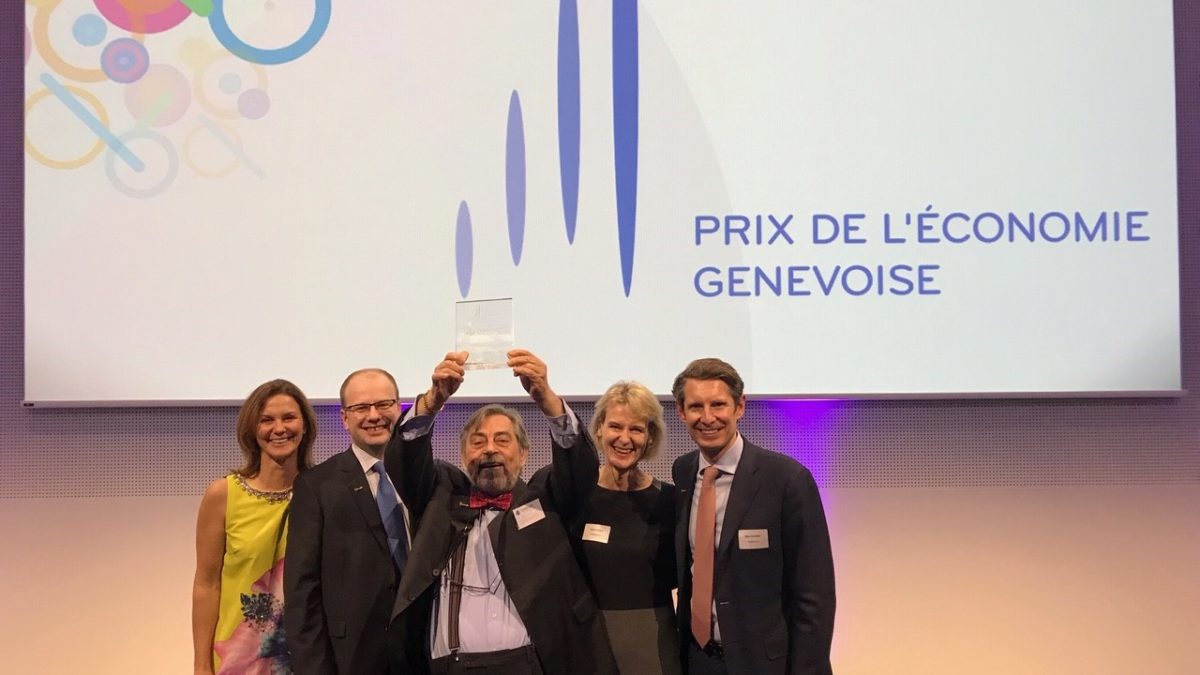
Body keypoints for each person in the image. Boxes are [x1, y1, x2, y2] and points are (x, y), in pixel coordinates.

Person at [386, 349, 618, 675]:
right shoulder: (440, 494)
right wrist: (433, 401)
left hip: (528, 664)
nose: (490, 448)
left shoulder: (546, 495)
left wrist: (547, 399)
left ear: (524, 453)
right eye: (478, 442)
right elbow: (404, 461)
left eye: (502, 440)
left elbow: (579, 467)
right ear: (463, 454)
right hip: (448, 667)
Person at [671, 358, 836, 675]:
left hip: (766, 665)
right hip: (697, 661)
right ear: (681, 411)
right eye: (696, 407)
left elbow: (814, 597)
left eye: (718, 404)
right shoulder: (683, 471)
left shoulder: (787, 480)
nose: (708, 418)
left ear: (739, 407)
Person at [284, 368, 422, 674]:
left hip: (422, 654)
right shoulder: (316, 486)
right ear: (344, 418)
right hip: (351, 659)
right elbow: (301, 590)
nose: (374, 415)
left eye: (384, 405)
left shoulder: (428, 478)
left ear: (400, 409)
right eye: (361, 408)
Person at [192, 379, 317, 674]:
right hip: (237, 660)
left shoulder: (322, 493)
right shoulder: (222, 494)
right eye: (267, 420)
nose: (279, 428)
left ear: (305, 426)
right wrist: (201, 665)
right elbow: (206, 584)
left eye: (289, 418)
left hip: (305, 660)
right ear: (252, 428)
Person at [578, 381, 681, 675]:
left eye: (636, 429)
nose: (625, 438)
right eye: (615, 426)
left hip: (654, 643)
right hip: (589, 641)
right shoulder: (576, 496)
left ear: (650, 437)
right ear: (599, 429)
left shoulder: (670, 500)